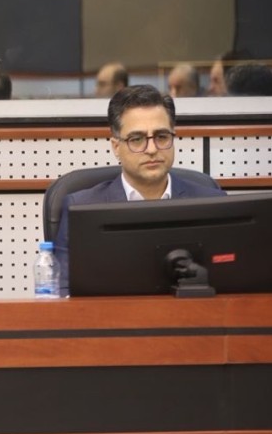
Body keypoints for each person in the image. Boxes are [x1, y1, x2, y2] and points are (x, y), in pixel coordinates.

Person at [54, 85, 225, 294]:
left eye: (161, 136)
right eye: (137, 139)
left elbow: (228, 284)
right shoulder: (81, 207)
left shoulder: (212, 202)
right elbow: (62, 292)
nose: (152, 149)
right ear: (116, 147)